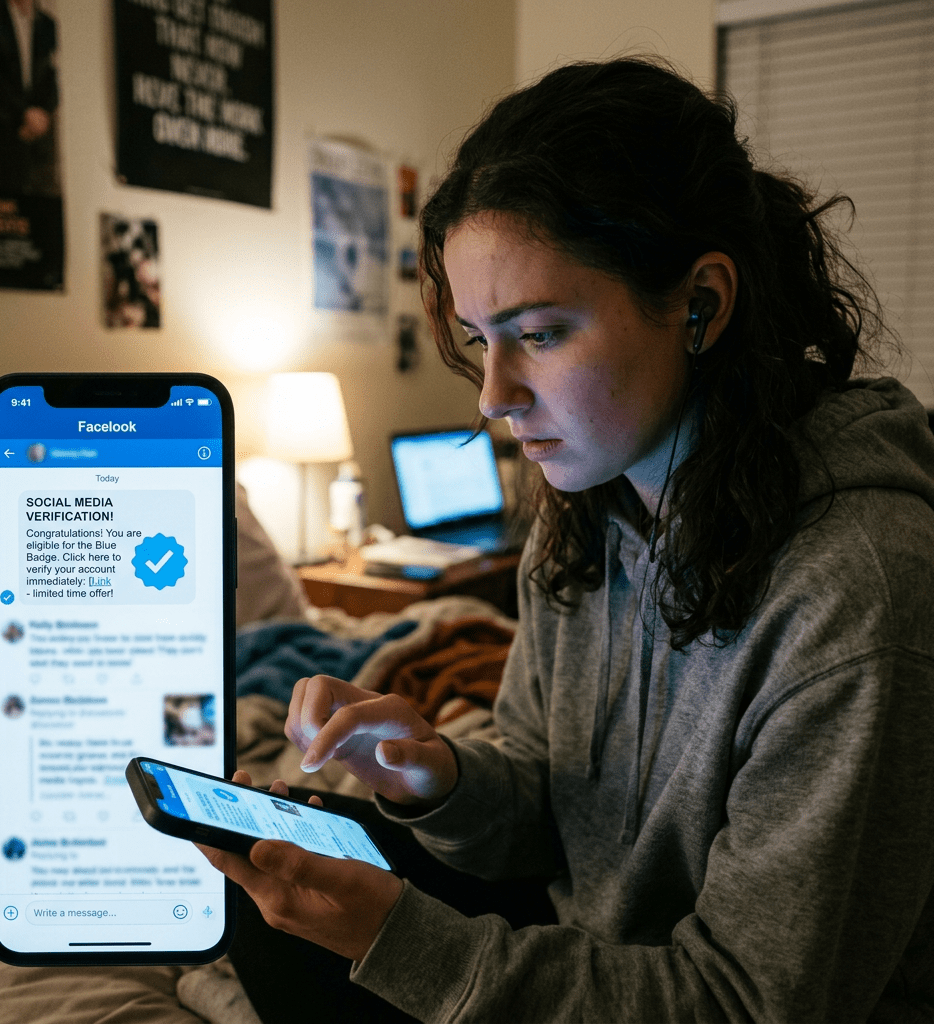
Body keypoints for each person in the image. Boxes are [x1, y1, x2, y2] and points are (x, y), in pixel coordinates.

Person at [201, 57, 934, 1022]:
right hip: (590, 944)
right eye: (479, 338)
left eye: (539, 334)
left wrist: (401, 943)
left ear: (701, 303)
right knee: (273, 868)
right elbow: (556, 811)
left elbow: (748, 1003)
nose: (494, 397)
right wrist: (436, 775)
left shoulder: (857, 590)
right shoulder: (585, 502)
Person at [0, 0, 57, 195]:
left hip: (40, 133)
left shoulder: (47, 23)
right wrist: (24, 113)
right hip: (4, 129)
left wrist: (43, 113)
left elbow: (53, 76)